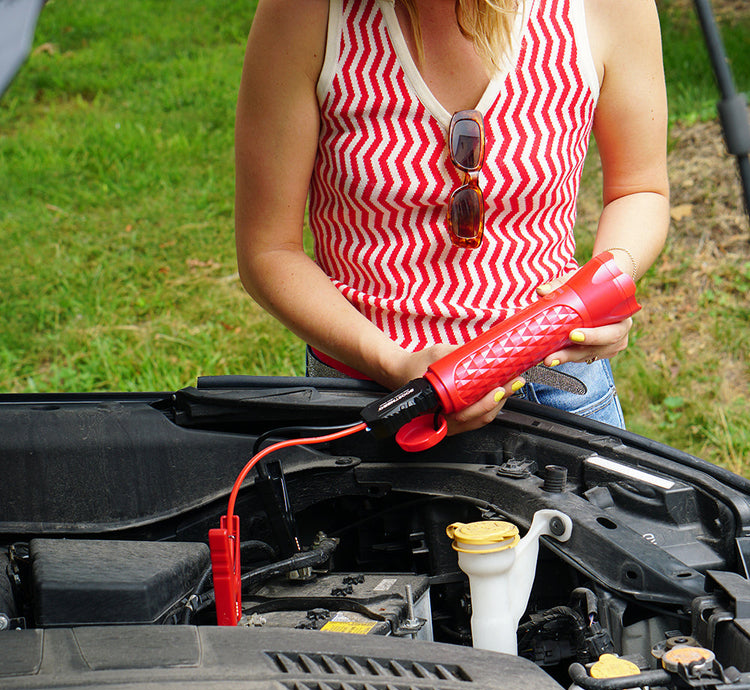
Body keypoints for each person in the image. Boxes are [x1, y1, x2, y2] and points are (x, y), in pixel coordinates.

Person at [234, 0, 669, 434]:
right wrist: (393, 363)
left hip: (557, 387)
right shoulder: (306, 13)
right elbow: (270, 250)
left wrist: (602, 287)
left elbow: (639, 189)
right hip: (368, 399)